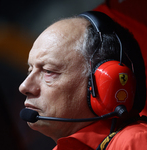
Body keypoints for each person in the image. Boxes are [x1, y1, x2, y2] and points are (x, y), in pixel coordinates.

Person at [19, 11, 147, 150]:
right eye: (30, 70)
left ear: (105, 83)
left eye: (49, 71)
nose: (24, 86)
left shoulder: (134, 141)